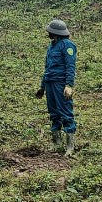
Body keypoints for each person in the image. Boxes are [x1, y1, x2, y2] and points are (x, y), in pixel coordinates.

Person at [36, 19, 77, 156]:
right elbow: (47, 68)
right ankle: (57, 143)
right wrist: (42, 87)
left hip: (60, 84)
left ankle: (70, 147)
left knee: (65, 112)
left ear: (55, 32)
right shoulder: (51, 46)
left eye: (50, 31)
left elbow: (70, 66)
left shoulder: (67, 45)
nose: (48, 33)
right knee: (53, 113)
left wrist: (69, 85)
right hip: (50, 83)